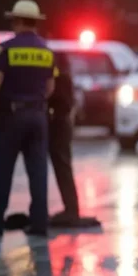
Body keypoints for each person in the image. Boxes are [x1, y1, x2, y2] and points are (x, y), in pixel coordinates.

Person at [0, 0, 56, 237]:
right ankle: (40, 223)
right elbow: (50, 87)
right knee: (38, 171)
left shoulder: (6, 50)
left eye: (13, 20)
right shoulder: (46, 51)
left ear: (19, 21)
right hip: (38, 115)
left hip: (11, 117)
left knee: (2, 170)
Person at [48, 51, 80, 225]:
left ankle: (71, 209)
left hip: (57, 124)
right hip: (63, 124)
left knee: (60, 165)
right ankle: (71, 208)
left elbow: (53, 97)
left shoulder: (59, 78)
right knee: (63, 167)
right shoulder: (66, 78)